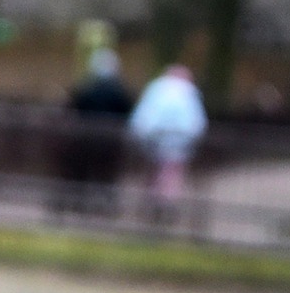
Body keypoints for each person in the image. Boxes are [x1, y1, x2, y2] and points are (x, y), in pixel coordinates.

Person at [57, 48, 133, 212]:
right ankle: (105, 205)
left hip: (86, 139)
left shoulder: (87, 88)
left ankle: (80, 203)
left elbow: (75, 107)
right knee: (106, 176)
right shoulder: (119, 91)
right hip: (110, 143)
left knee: (83, 172)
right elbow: (126, 111)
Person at [127, 62, 207, 215]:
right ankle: (166, 204)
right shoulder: (188, 91)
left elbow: (144, 115)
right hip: (179, 142)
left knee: (154, 171)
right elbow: (196, 121)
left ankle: (153, 202)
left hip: (154, 139)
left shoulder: (157, 88)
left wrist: (140, 133)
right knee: (172, 173)